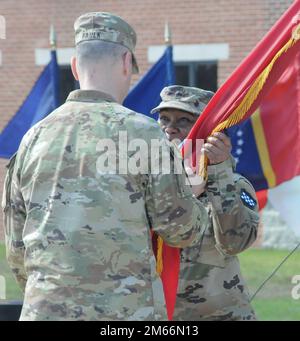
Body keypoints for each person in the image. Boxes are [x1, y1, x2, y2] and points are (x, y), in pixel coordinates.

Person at [2, 13, 210, 321]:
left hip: (45, 311)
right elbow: (182, 231)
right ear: (126, 62)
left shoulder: (32, 138)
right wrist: (194, 195)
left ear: (75, 66)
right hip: (125, 314)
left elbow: (16, 249)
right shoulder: (145, 134)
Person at [151, 85, 259, 321]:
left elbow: (234, 243)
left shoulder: (234, 184)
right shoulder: (149, 182)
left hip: (218, 315)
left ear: (206, 129)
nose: (170, 128)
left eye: (183, 121)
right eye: (164, 119)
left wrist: (219, 171)